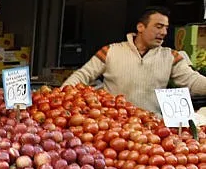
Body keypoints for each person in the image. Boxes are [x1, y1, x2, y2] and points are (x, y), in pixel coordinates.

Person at [62, 7, 206, 114]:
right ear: (140, 27)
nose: (164, 32)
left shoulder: (170, 57)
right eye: (158, 26)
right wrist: (61, 95)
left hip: (151, 128)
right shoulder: (111, 51)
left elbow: (193, 81)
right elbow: (83, 75)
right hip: (112, 127)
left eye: (166, 28)